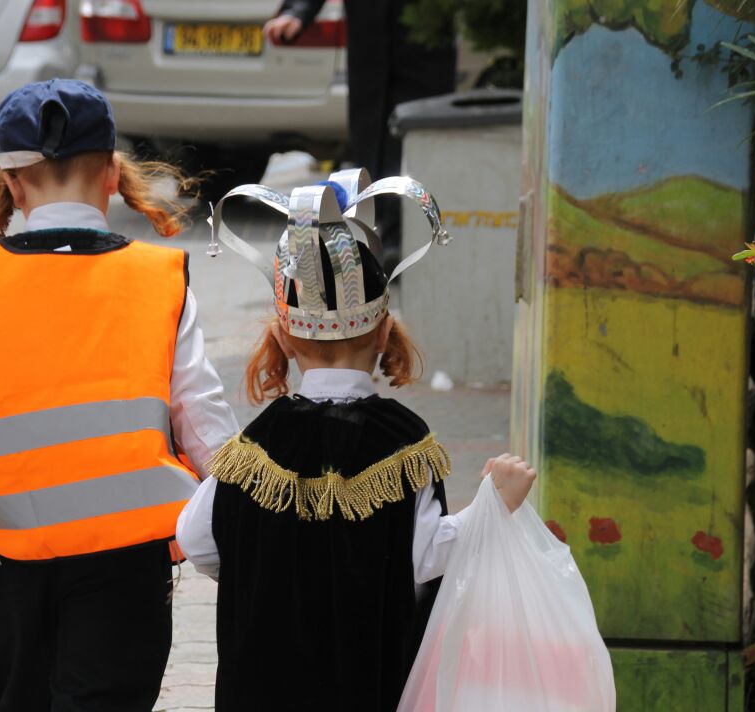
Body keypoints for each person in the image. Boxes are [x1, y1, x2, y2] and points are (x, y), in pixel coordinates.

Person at [0, 79, 238, 711]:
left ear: (12, 184)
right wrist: (246, 540)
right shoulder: (158, 284)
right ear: (113, 175)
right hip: (126, 568)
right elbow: (204, 426)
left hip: (6, 568)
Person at [177, 173, 536, 711]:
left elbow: (197, 537)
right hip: (363, 683)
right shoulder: (405, 443)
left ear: (280, 339)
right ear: (387, 332)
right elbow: (425, 561)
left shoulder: (255, 445)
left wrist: (269, 569)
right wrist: (492, 508)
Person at [264, 0, 455, 260]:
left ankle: (412, 240)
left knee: (417, 152)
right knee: (370, 150)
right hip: (371, 54)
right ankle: (377, 242)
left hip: (424, 50)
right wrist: (296, 11)